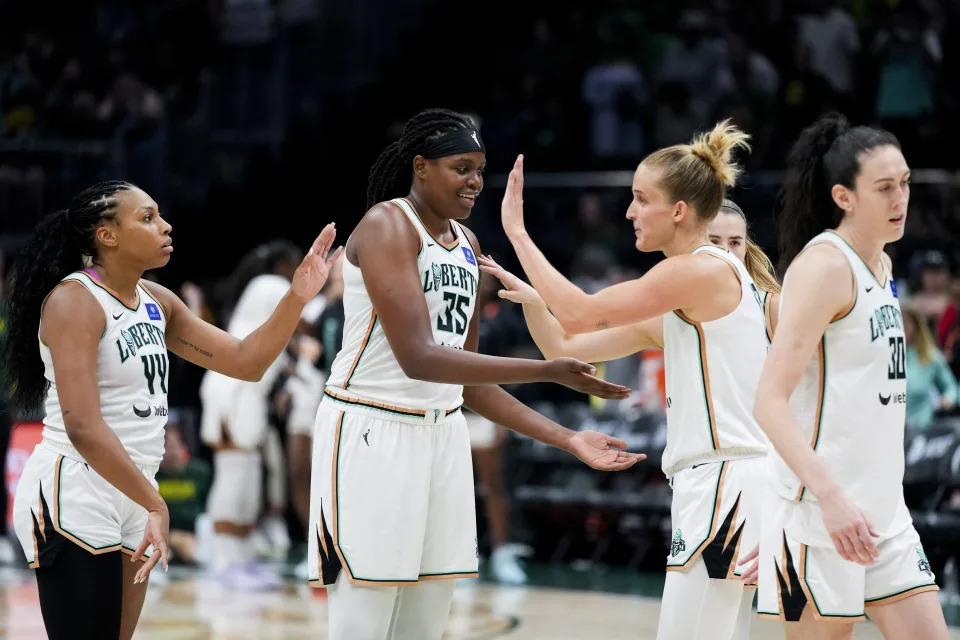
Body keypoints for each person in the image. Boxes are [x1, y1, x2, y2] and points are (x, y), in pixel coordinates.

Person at [306, 108, 640, 640]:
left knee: (427, 617)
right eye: (461, 167)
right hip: (371, 430)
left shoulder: (468, 245)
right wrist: (547, 370)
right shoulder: (387, 224)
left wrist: (569, 437)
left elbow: (470, 385)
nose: (475, 181)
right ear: (420, 166)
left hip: (442, 433)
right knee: (365, 620)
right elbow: (418, 356)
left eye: (481, 169)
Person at [4, 180, 341, 640]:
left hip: (134, 487)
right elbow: (82, 425)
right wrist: (154, 502)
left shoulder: (157, 302)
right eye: (147, 217)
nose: (165, 225)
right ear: (107, 235)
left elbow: (246, 361)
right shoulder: (75, 301)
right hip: (77, 488)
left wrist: (297, 296)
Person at [484, 121, 769, 640]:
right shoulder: (688, 300)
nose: (629, 212)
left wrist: (519, 235)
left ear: (678, 211)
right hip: (715, 481)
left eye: (640, 199)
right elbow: (565, 348)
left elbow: (576, 312)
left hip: (726, 480)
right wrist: (532, 301)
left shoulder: (701, 270)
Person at [753, 114, 948, 639]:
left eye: (905, 182)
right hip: (820, 516)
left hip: (884, 512)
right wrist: (832, 498)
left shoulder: (882, 264)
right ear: (844, 196)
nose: (900, 198)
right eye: (883, 188)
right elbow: (769, 402)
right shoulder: (824, 267)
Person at [199, 240, 303, 586]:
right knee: (234, 472)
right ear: (284, 264)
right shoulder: (272, 286)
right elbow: (302, 324)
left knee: (247, 474)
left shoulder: (265, 288)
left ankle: (241, 558)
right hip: (234, 390)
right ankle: (225, 561)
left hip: (244, 390)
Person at [707, 198, 781, 341]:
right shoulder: (671, 308)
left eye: (735, 243)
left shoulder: (772, 307)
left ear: (746, 248)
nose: (725, 250)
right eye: (714, 241)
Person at [902, 305, 957, 430]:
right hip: (891, 429)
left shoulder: (931, 356)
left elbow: (951, 387)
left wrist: (948, 398)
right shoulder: (885, 356)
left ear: (916, 326)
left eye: (904, 323)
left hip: (922, 428)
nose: (900, 328)